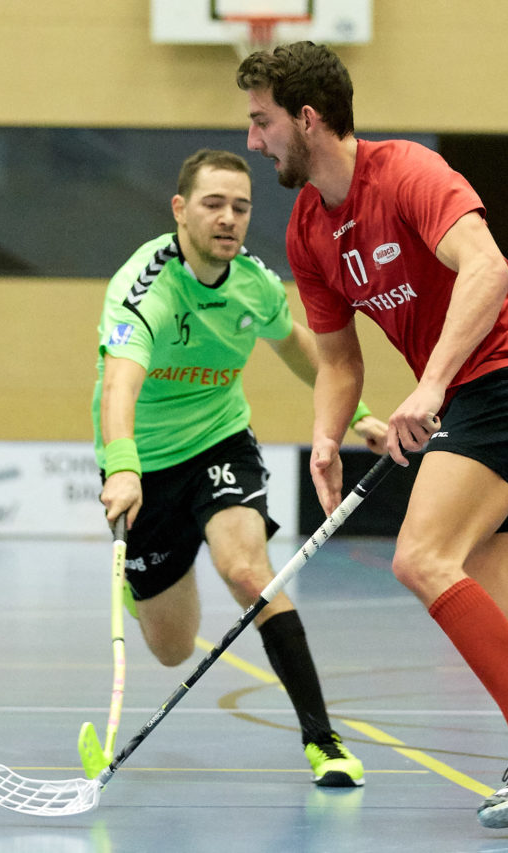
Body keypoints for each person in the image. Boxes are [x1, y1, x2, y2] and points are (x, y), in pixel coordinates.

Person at [238, 43, 508, 829]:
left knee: (420, 556)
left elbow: (486, 269)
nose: (254, 140)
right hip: (466, 400)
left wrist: (433, 383)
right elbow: (338, 355)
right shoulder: (309, 228)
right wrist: (323, 436)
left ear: (306, 119)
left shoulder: (407, 172)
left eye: (261, 121)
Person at [93, 148, 386, 788]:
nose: (228, 218)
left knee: (248, 571)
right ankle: (142, 588)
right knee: (172, 649)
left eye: (241, 207)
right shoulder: (144, 288)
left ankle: (323, 741)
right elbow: (120, 387)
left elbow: (299, 348)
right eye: (213, 204)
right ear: (180, 209)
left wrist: (356, 412)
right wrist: (122, 468)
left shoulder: (254, 282)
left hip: (220, 441)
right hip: (144, 463)